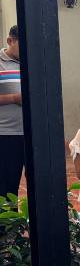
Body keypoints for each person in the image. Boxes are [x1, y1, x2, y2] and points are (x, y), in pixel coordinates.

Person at [0, 25, 23, 198]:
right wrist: (14, 98)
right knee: (7, 186)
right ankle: (8, 224)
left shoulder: (33, 63)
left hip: (30, 134)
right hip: (6, 134)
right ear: (10, 41)